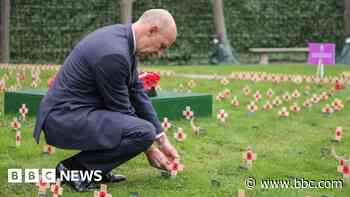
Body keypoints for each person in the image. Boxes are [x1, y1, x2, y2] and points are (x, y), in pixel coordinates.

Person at [33, 9, 181, 192]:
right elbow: (122, 109)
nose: (159, 53)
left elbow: (136, 92)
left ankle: (96, 171)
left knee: (144, 131)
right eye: (162, 46)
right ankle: (73, 170)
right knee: (142, 132)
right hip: (64, 117)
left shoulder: (123, 40)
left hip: (74, 112)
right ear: (152, 30)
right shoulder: (115, 54)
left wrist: (162, 139)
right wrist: (150, 147)